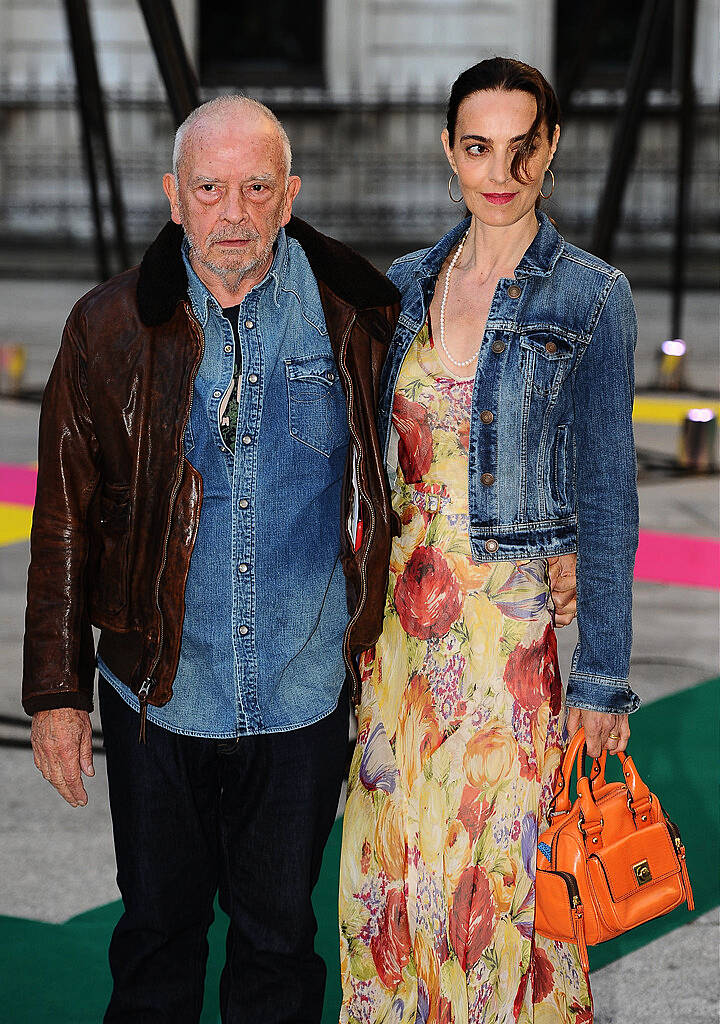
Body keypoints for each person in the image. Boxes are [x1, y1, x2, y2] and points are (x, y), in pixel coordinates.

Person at [22, 95, 403, 1023]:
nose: (233, 214)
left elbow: (421, 467)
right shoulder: (105, 327)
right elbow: (64, 516)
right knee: (156, 939)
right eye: (209, 189)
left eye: (256, 189)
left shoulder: (356, 314)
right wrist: (57, 694)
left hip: (302, 691)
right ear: (174, 197)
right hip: (158, 695)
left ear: (289, 195)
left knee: (278, 946)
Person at [338, 57, 640, 1022]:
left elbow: (609, 492)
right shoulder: (404, 283)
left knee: (503, 886)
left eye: (521, 148)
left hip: (515, 642)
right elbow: (372, 466)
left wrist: (601, 679)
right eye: (478, 148)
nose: (499, 171)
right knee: (395, 870)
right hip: (401, 638)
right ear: (450, 152)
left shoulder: (591, 297)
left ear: (550, 149)